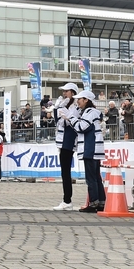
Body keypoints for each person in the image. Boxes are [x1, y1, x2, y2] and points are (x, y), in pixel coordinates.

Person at [71, 90, 106, 212]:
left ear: (86, 100)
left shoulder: (89, 113)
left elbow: (81, 127)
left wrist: (70, 118)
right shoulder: (93, 113)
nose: (77, 101)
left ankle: (93, 204)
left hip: (90, 148)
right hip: (95, 148)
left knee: (91, 178)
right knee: (96, 177)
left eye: (79, 99)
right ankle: (101, 203)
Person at [52, 82, 80, 211]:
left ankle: (67, 200)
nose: (64, 94)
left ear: (73, 93)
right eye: (63, 91)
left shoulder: (74, 107)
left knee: (65, 171)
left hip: (68, 141)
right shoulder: (66, 105)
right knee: (64, 172)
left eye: (66, 91)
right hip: (62, 141)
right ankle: (66, 200)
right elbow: (58, 121)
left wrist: (62, 111)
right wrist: (57, 109)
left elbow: (67, 123)